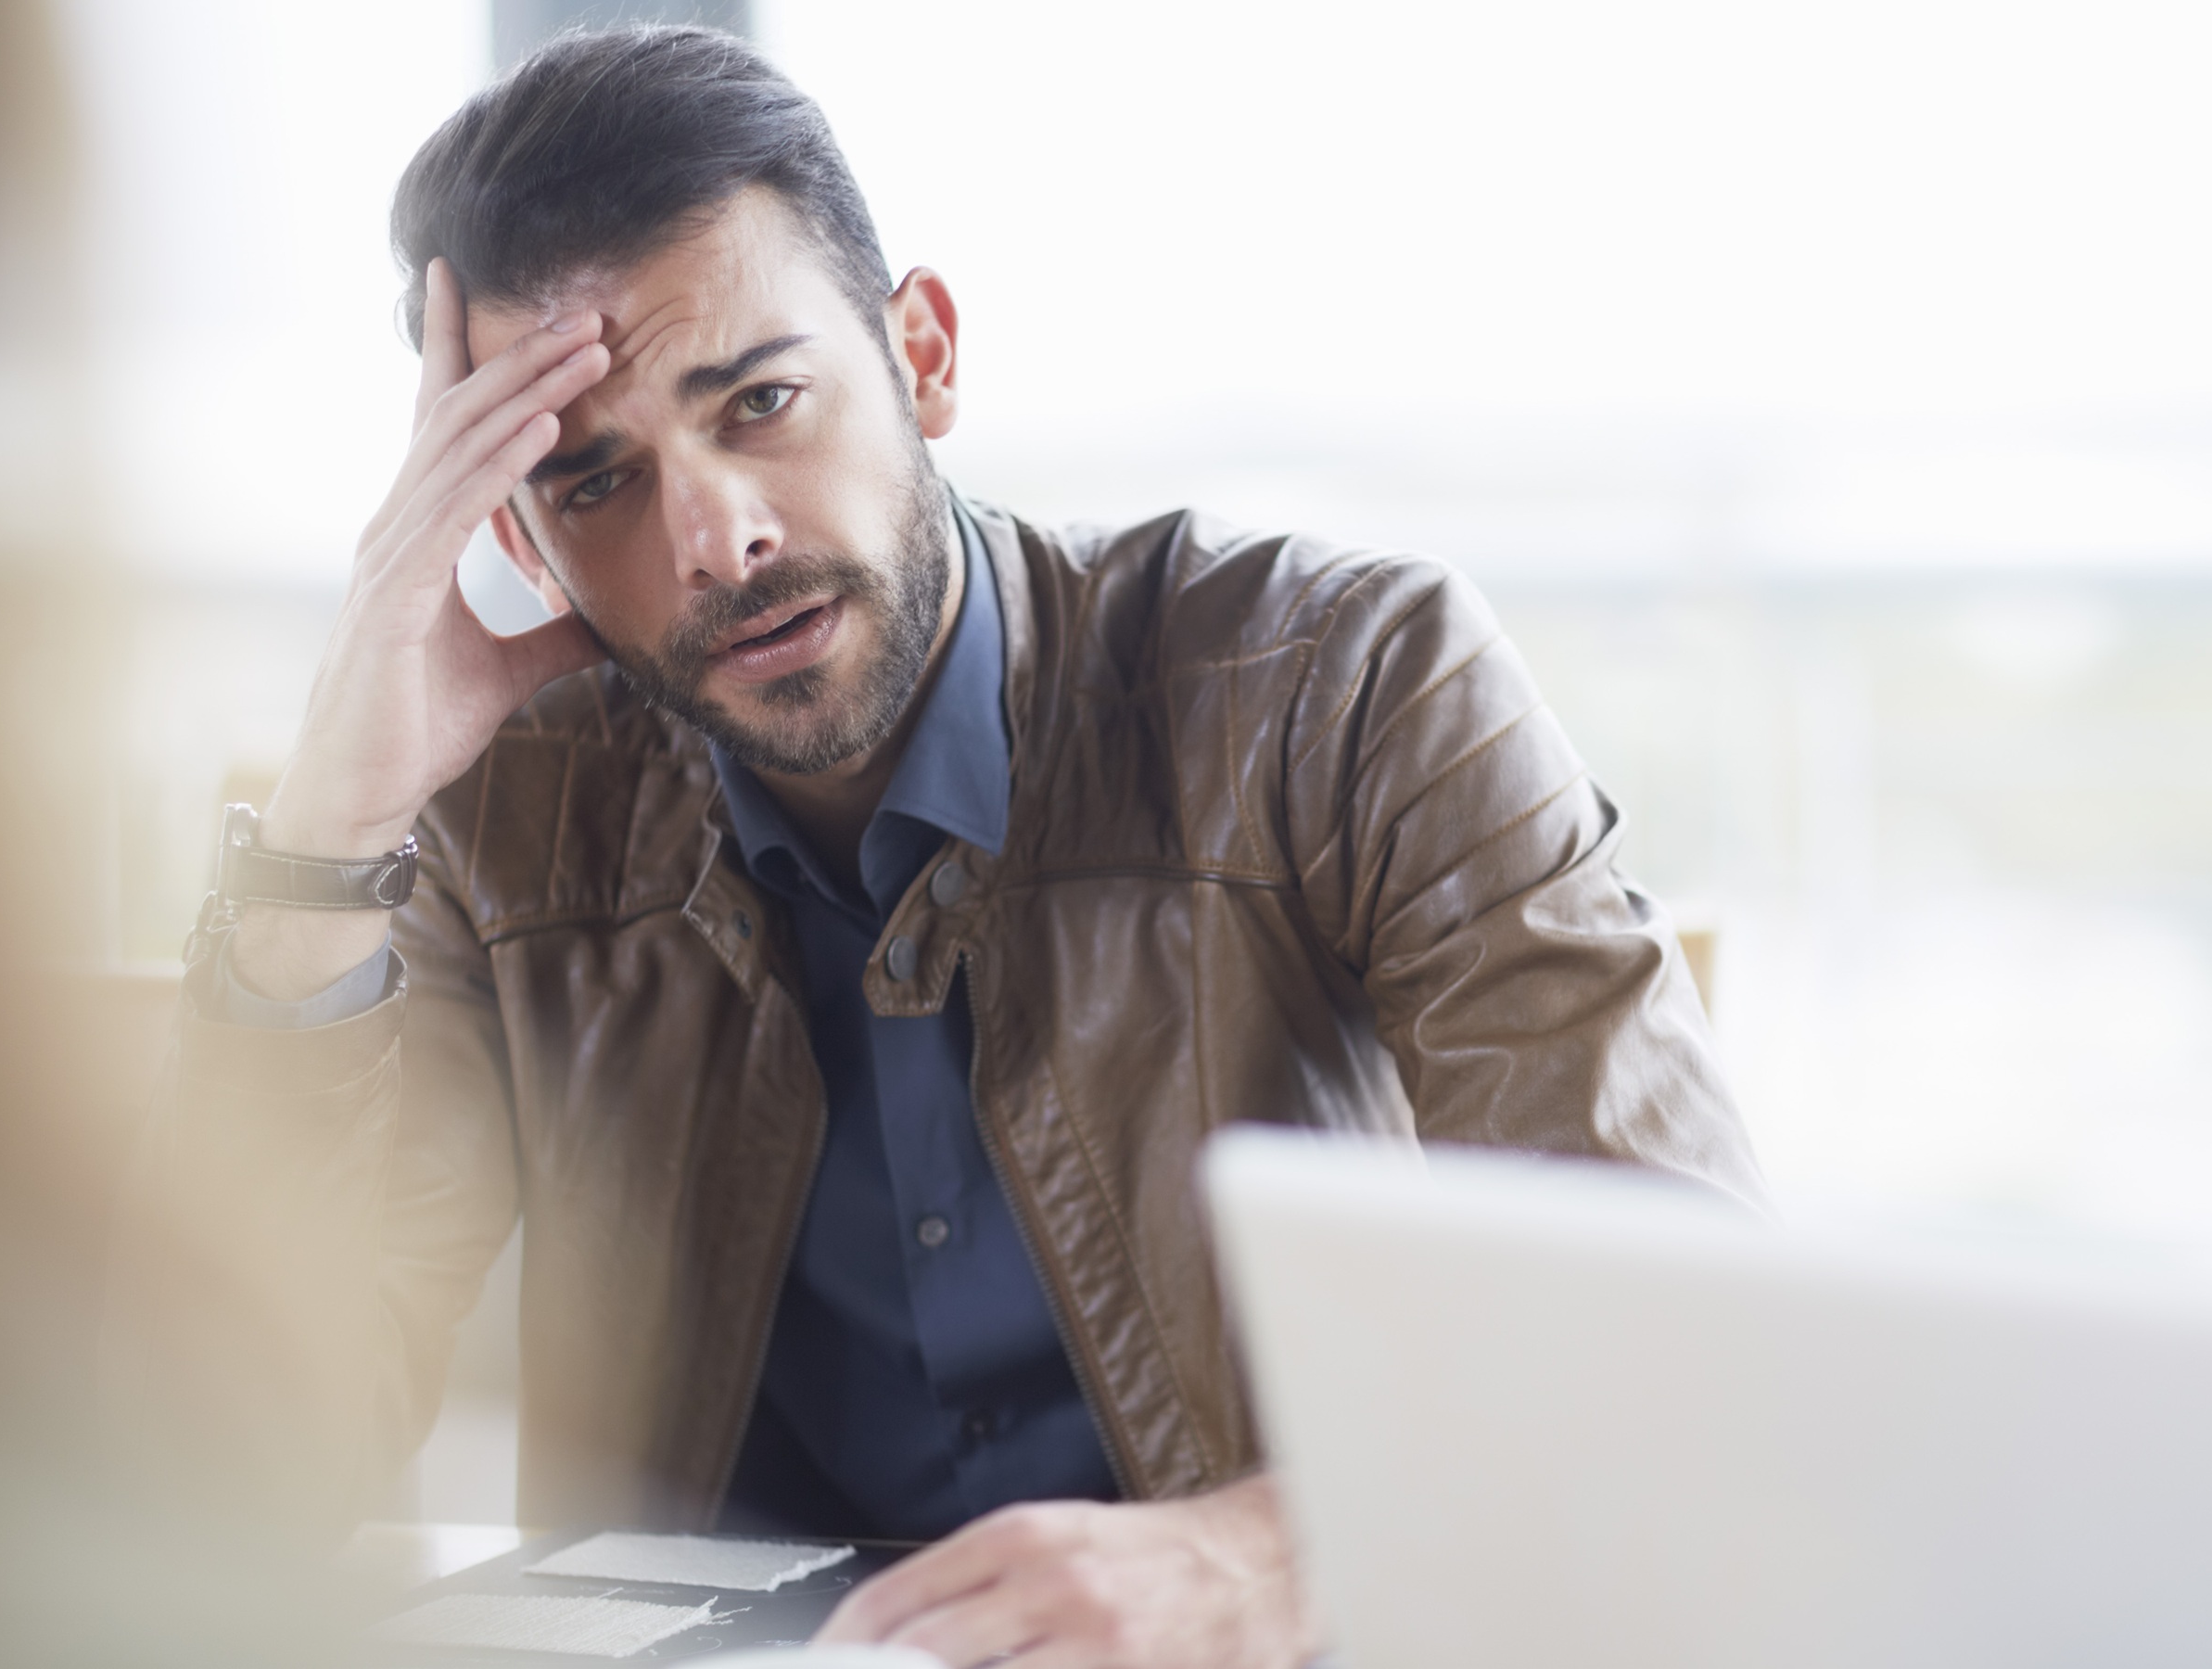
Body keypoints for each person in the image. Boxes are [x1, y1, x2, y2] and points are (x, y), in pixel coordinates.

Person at [108, 23, 1760, 1668]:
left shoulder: (1342, 682)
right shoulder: (503, 810)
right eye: (594, 482)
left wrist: (1276, 1561)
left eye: (760, 402)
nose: (714, 541)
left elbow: (1679, 1340)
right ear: (517, 538)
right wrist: (328, 833)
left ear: (925, 354)